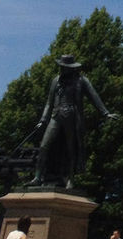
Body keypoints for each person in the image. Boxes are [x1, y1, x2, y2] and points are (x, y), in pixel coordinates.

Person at [30, 54, 114, 189]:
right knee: (44, 146)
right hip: (56, 116)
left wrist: (105, 113)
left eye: (65, 67)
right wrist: (43, 119)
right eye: (61, 67)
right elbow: (48, 103)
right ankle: (38, 177)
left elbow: (94, 96)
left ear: (71, 68)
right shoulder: (55, 81)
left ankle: (70, 178)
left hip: (72, 117)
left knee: (71, 149)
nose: (62, 70)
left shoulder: (81, 80)